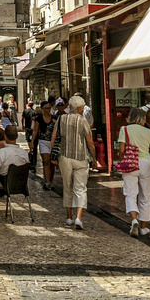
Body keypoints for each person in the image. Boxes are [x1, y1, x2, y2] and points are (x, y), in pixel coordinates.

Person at [51, 95, 95, 231]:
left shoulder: (61, 119)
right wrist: (95, 157)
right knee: (80, 188)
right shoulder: (83, 121)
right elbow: (90, 142)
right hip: (81, 158)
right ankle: (78, 217)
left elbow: (54, 138)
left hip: (64, 157)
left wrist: (55, 156)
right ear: (80, 109)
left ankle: (69, 217)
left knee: (67, 186)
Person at [118, 107, 150, 237]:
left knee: (130, 193)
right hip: (146, 163)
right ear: (142, 119)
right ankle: (143, 227)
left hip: (131, 163)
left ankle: (134, 220)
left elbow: (121, 150)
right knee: (145, 195)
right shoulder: (148, 132)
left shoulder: (124, 130)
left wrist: (122, 161)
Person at [0, 125, 29, 217]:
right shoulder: (24, 153)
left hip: (2, 182)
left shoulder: (2, 152)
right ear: (17, 136)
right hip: (20, 183)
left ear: (5, 136)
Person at [31, 100, 57, 189]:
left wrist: (55, 123)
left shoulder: (54, 118)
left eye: (50, 108)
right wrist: (32, 142)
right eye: (47, 108)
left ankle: (51, 180)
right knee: (46, 161)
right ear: (42, 109)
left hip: (53, 142)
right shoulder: (39, 118)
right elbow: (35, 130)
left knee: (52, 163)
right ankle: (47, 182)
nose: (48, 110)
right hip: (43, 141)